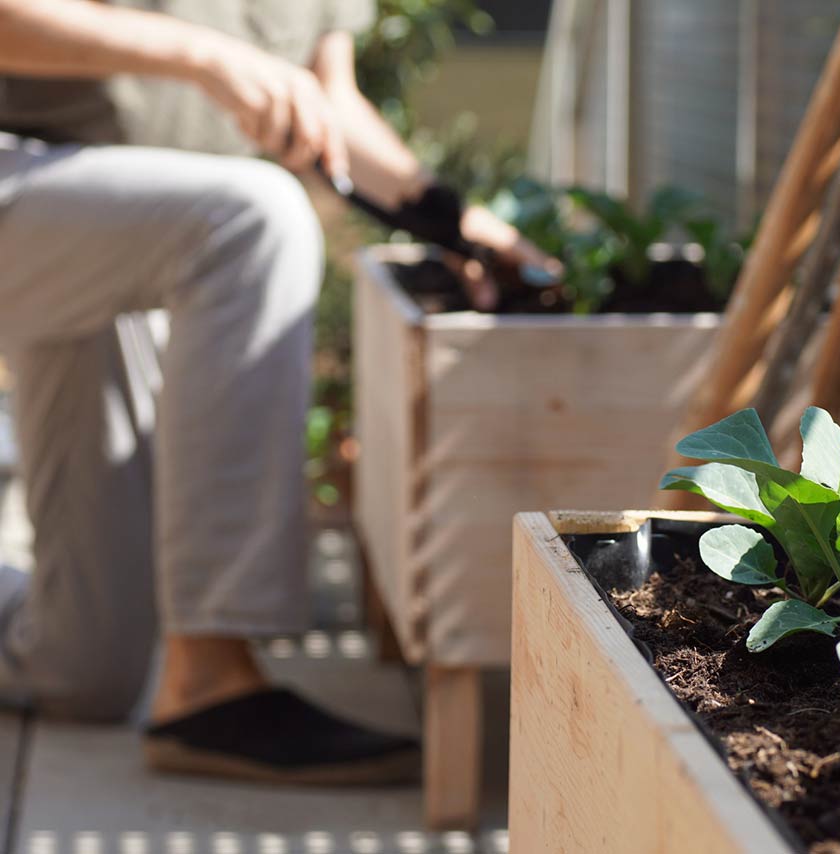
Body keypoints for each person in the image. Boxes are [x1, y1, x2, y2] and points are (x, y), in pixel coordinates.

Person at [0, 0, 552, 785]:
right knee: (255, 219)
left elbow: (329, 104)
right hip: (28, 175)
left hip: (117, 236)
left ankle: (173, 675)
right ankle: (211, 682)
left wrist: (459, 224)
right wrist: (204, 55)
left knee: (80, 666)